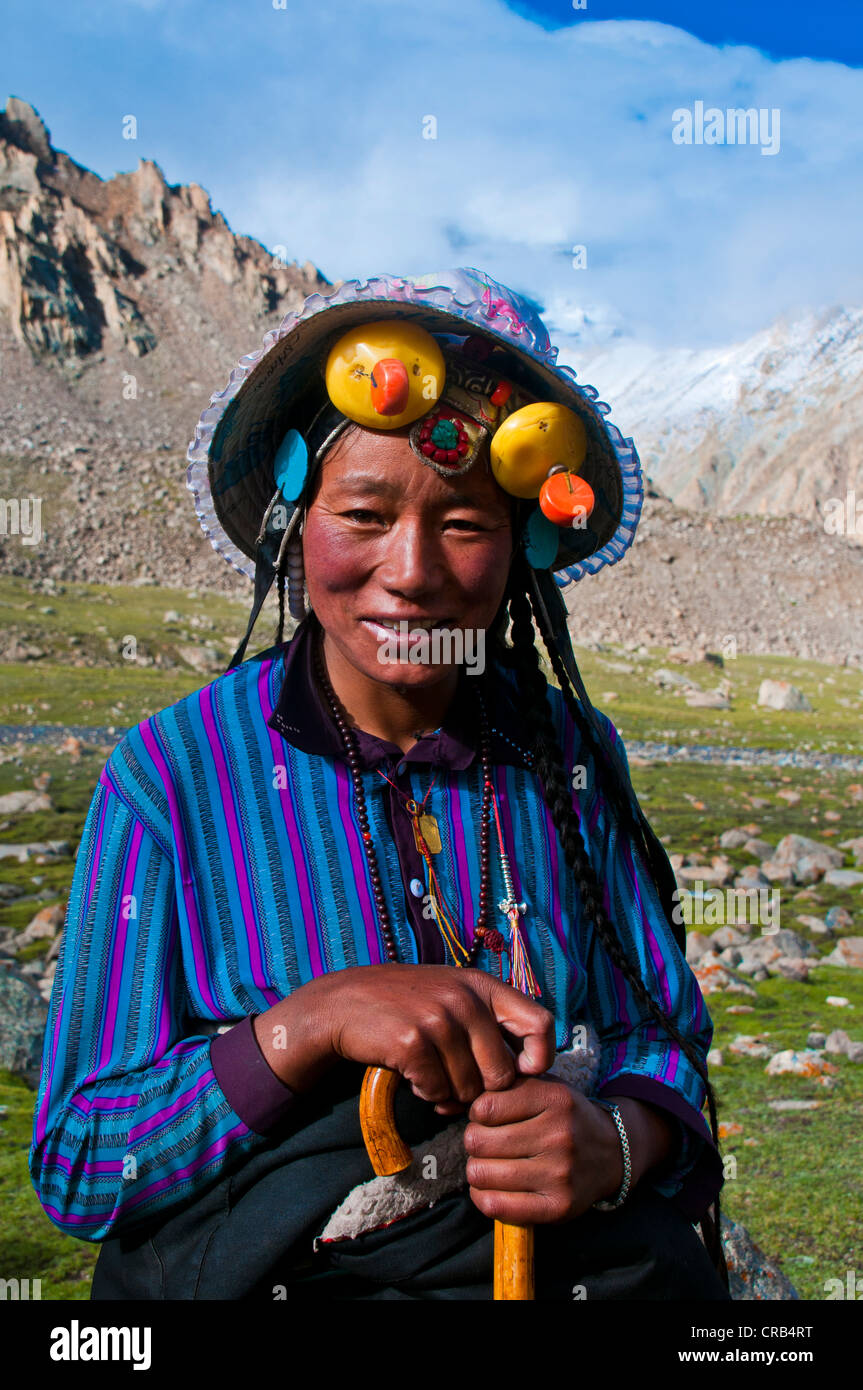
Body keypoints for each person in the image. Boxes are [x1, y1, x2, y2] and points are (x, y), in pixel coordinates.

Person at [29, 268, 729, 1300]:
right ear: (293, 520)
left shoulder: (571, 756)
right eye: (361, 514)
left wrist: (611, 1141)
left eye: (462, 524)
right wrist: (305, 1025)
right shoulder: (170, 778)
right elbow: (82, 1163)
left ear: (522, 547)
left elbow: (663, 1046)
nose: (410, 570)